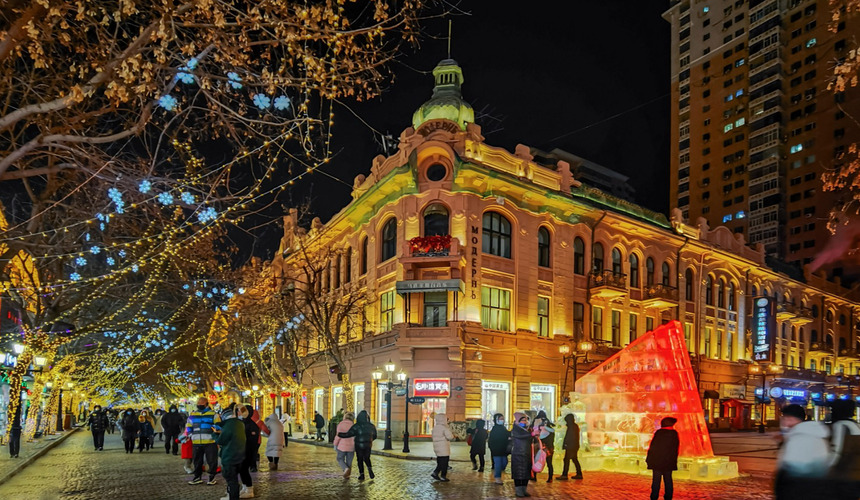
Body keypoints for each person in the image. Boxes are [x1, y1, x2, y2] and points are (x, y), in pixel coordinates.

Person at [773, 404, 830, 500]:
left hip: (798, 490)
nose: (785, 422)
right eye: (784, 419)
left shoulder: (798, 438)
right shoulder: (816, 435)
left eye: (787, 419)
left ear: (794, 419)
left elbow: (790, 470)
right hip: (815, 488)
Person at [829, 399, 860, 499]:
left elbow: (836, 451)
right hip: (856, 475)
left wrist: (827, 468)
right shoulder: (856, 426)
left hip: (844, 475)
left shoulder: (841, 426)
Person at [187, 396, 222, 486]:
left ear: (206, 404)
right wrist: (191, 435)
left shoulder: (214, 414)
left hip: (210, 442)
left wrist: (214, 435)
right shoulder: (193, 415)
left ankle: (212, 477)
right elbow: (188, 426)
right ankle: (197, 477)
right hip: (196, 442)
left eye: (201, 404)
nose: (199, 405)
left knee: (212, 461)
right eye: (198, 404)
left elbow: (218, 426)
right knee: (197, 461)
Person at [646, 417, 680, 500]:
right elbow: (675, 449)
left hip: (657, 461)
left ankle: (654, 497)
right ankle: (668, 497)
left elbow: (653, 447)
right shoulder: (674, 434)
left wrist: (649, 459)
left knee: (656, 481)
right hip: (668, 462)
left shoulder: (659, 433)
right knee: (668, 480)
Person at [216, 405, 246, 500]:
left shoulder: (229, 425)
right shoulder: (240, 423)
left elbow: (221, 441)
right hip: (240, 455)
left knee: (232, 480)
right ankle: (232, 495)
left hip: (229, 456)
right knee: (234, 480)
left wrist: (215, 434)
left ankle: (233, 497)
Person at [337, 410, 377, 480]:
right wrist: (369, 440)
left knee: (360, 459)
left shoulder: (356, 426)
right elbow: (375, 436)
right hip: (368, 445)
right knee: (367, 458)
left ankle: (362, 474)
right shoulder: (371, 426)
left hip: (359, 444)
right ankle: (370, 469)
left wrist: (340, 434)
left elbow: (349, 434)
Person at [236, 405, 259, 499]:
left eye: (241, 411)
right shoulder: (243, 423)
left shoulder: (251, 425)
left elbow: (252, 440)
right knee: (242, 470)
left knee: (244, 469)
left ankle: (249, 489)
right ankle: (245, 487)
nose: (238, 413)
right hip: (242, 450)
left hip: (247, 451)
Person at [510, 412, 533, 497]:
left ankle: (524, 489)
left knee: (526, 473)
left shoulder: (528, 429)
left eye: (526, 420)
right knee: (518, 473)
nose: (525, 422)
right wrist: (531, 434)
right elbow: (521, 436)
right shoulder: (516, 430)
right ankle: (518, 490)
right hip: (518, 454)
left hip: (526, 454)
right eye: (523, 420)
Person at [558, 413, 583, 480]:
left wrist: (566, 444)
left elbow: (570, 437)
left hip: (571, 446)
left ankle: (565, 474)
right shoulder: (574, 426)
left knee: (566, 460)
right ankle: (579, 474)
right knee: (574, 459)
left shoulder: (572, 427)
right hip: (574, 446)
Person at [488, 413, 511, 485]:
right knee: (498, 464)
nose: (502, 420)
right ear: (496, 420)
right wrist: (492, 448)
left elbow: (508, 435)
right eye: (500, 419)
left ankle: (499, 473)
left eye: (503, 419)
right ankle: (497, 478)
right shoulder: (494, 429)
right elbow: (491, 440)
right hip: (496, 450)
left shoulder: (503, 428)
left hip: (504, 450)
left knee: (504, 462)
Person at [431, 413, 455, 481]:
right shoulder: (444, 428)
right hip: (443, 447)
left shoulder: (435, 428)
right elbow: (450, 437)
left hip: (437, 447)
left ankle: (435, 473)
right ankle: (443, 476)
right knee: (445, 462)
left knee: (440, 461)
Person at [333, 411, 355, 478]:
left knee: (340, 458)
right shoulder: (354, 425)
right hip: (351, 446)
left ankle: (345, 469)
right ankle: (347, 474)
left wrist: (335, 444)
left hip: (342, 446)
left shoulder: (341, 424)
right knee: (349, 461)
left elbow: (338, 436)